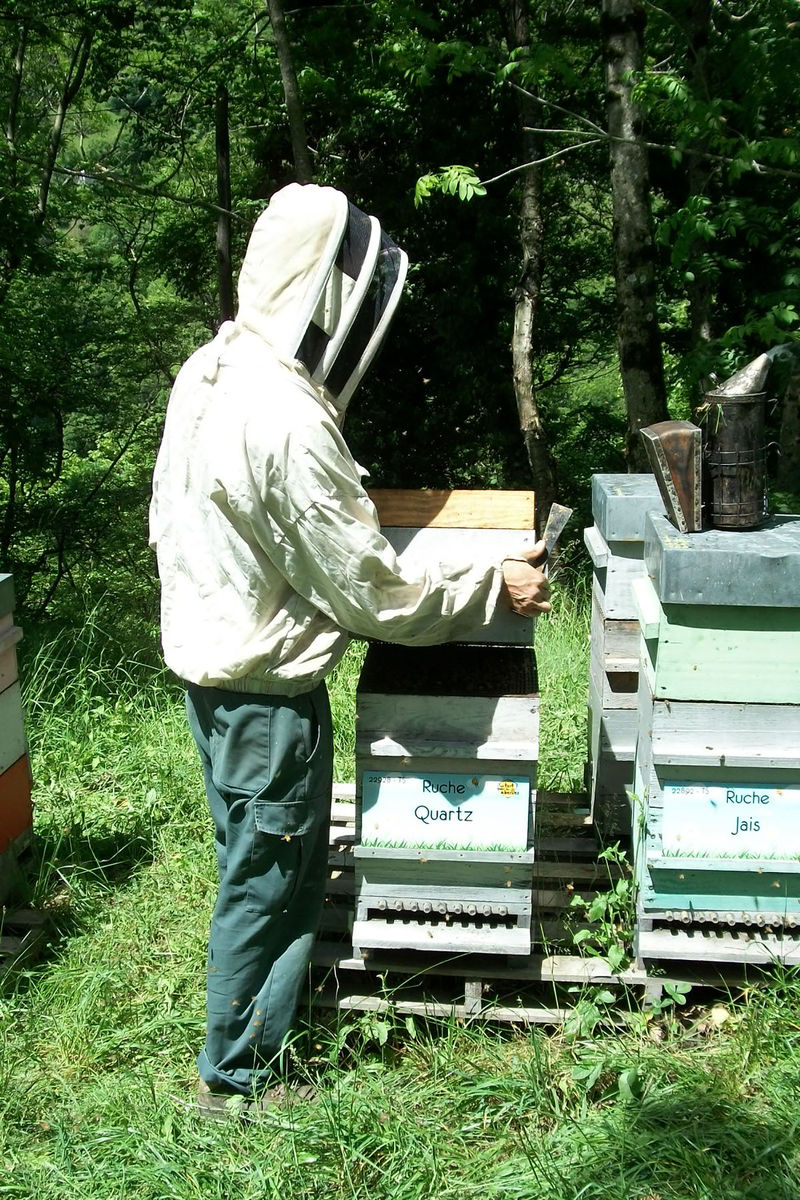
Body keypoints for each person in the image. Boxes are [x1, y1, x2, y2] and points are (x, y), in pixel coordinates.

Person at [149, 183, 550, 1117]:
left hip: (212, 669)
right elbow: (376, 595)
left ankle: (242, 1044)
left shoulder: (211, 368)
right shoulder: (285, 421)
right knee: (272, 877)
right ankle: (236, 1079)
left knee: (252, 854)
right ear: (325, 290)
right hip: (264, 697)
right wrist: (492, 583)